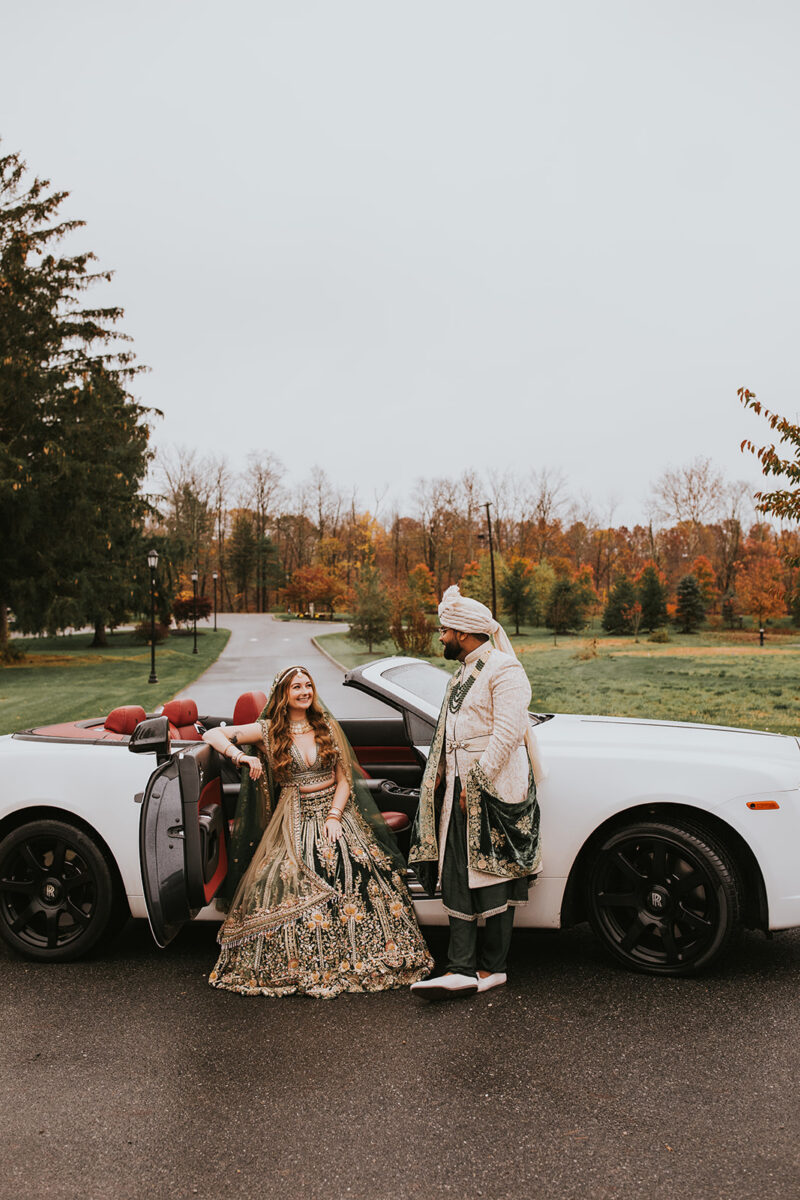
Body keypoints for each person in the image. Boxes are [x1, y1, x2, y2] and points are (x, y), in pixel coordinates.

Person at [203, 665, 433, 998]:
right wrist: (241, 757)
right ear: (284, 694)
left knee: (359, 868)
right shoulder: (268, 731)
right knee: (283, 876)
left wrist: (335, 817)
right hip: (294, 814)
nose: (304, 691)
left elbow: (344, 780)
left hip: (334, 811)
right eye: (296, 687)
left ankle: (359, 952)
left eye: (308, 685)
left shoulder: (324, 726)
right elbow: (212, 735)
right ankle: (307, 959)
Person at [409, 586, 543, 999]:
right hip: (457, 792)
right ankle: (463, 968)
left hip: (492, 792)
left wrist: (477, 784)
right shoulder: (463, 672)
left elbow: (506, 733)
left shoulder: (505, 670)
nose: (441, 637)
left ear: (465, 633)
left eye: (445, 630)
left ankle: (491, 967)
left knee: (494, 876)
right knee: (458, 876)